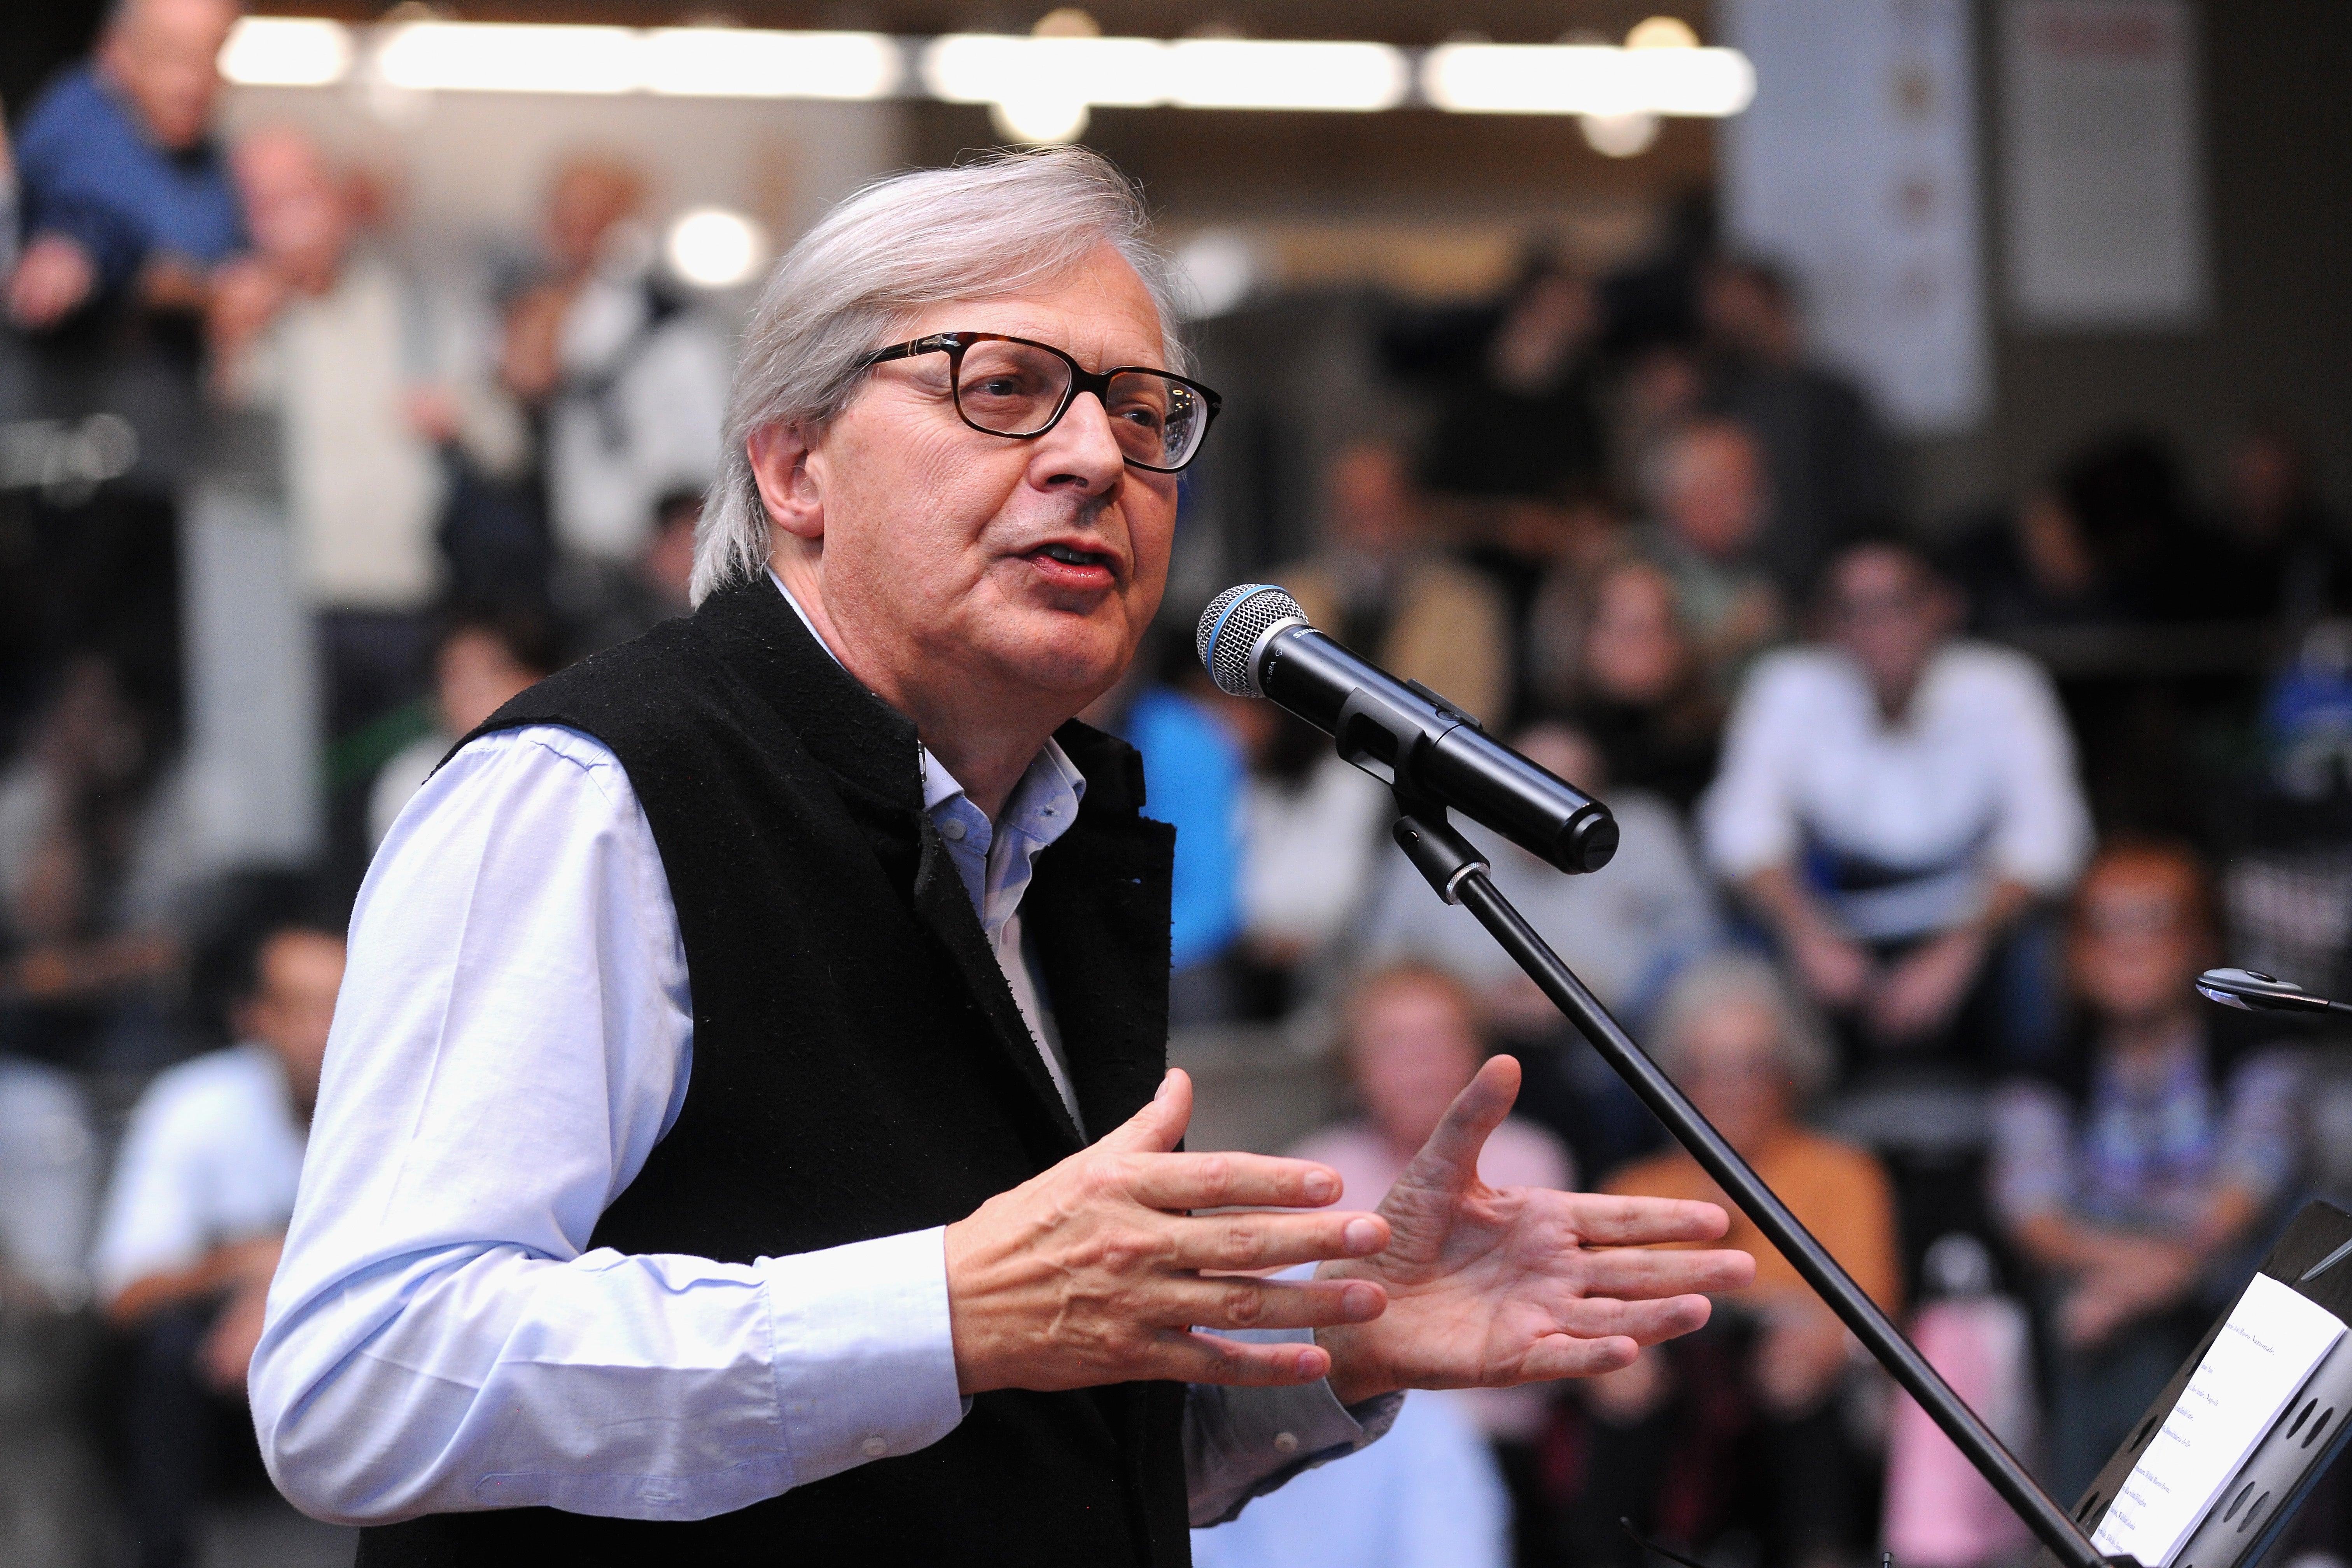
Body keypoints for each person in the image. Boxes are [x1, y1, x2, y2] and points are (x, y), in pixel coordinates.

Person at [248, 149, 1752, 1562]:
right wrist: (946, 1308)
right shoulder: (592, 796)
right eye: (1007, 388)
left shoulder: (1053, 835)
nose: (1097, 453)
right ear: (793, 466)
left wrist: (1330, 1342)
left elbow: (1000, 1454)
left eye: (1143, 409)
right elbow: (362, 1379)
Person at [1989, 842, 2303, 1500]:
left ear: (2203, 941)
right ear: (2072, 954)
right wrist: (2136, 1272)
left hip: (2224, 1283)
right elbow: (2031, 1211)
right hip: (2092, 1284)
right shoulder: (2040, 1073)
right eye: (2103, 926)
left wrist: (2146, 1281)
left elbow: (2253, 1179)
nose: (2126, 946)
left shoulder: (2257, 1053)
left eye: (2152, 921)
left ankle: (2092, 1529)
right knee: (2095, 1325)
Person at [1703, 538, 2092, 1067]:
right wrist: (1804, 932)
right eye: (1854, 610)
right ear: (1827, 624)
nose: (1877, 628)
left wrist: (1961, 949)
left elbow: (2050, 836)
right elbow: (1740, 831)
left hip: (1973, 921)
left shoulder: (2003, 685)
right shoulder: (1787, 685)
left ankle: (2029, 1112)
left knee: (2044, 950)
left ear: (1942, 607)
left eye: (1897, 604)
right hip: (1829, 921)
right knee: (1740, 950)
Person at [1569, 956, 1901, 1568]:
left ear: (1790, 1075)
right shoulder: (1632, 1186)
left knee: (1800, 1385)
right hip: (1672, 1414)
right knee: (1622, 1378)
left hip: (1798, 1404)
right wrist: (1611, 1364)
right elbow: (1592, 1312)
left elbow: (1872, 1316)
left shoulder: (1842, 1172)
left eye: (1753, 1068)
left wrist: (1823, 1345)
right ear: (1674, 1081)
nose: (1731, 1090)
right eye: (1706, 1071)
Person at [212, 127, 528, 735]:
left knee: (398, 797)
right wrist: (230, 343)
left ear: (337, 199)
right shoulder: (232, 317)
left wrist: (460, 416)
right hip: (277, 614)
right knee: (287, 810)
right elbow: (215, 463)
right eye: (266, 204)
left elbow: (509, 444)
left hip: (405, 608)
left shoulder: (415, 310)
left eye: (303, 197)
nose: (290, 221)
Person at [89, 919, 345, 1568]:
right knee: (163, 1349)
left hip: (347, 1345)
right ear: (254, 1016)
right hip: (221, 1380)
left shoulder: (403, 1104)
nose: (325, 1033)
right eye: (303, 1007)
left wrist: (283, 1286)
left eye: (343, 1007)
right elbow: (124, 1294)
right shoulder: (195, 1105)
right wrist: (236, 1268)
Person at [501, 154, 732, 577]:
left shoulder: (672, 327)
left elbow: (712, 443)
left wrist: (683, 526)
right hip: (548, 557)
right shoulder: (520, 307)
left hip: (647, 555)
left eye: (594, 215)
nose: (576, 230)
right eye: (564, 213)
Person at [6, 0, 243, 331]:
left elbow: (233, 250)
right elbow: (82, 215)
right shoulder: (76, 119)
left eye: (213, 55)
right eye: (173, 53)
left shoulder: (208, 154)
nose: (196, 80)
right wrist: (69, 255)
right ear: (116, 51)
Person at [1273, 440, 1514, 725]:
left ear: (1415, 513)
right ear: (1331, 517)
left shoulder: (1469, 605)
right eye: (1356, 514)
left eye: (1384, 512)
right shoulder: (1285, 600)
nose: (1373, 535)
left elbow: (1479, 714)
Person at [1698, 258, 1898, 601]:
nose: (1724, 319)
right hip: (1742, 591)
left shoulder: (1835, 399)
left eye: (1737, 307)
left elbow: (1870, 503)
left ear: (1774, 304)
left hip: (1830, 591)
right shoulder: (1718, 402)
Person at [1527, 554, 1725, 814]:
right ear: (1586, 635)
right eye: (1630, 628)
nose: (1643, 645)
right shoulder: (1551, 730)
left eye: (1659, 626)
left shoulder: (1714, 739)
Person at [365, 612, 562, 849]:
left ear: (538, 677)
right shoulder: (412, 781)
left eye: (491, 672)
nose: (469, 692)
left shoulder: (577, 765)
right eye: (455, 677)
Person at [1634, 418, 1785, 690]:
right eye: (1743, 486)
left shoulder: (1755, 569)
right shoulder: (1630, 565)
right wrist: (1729, 640)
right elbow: (1627, 670)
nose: (1761, 502)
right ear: (1692, 495)